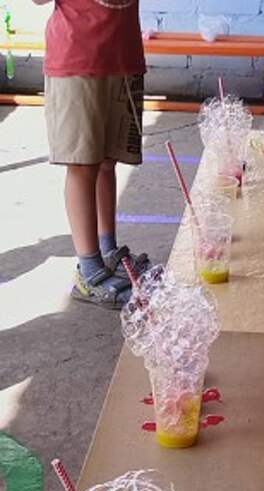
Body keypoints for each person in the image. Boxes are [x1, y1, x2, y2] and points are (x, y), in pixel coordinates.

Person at [33, 0, 149, 308]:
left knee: (107, 162)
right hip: (77, 58)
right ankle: (89, 271)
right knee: (83, 165)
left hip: (122, 55)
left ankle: (107, 251)